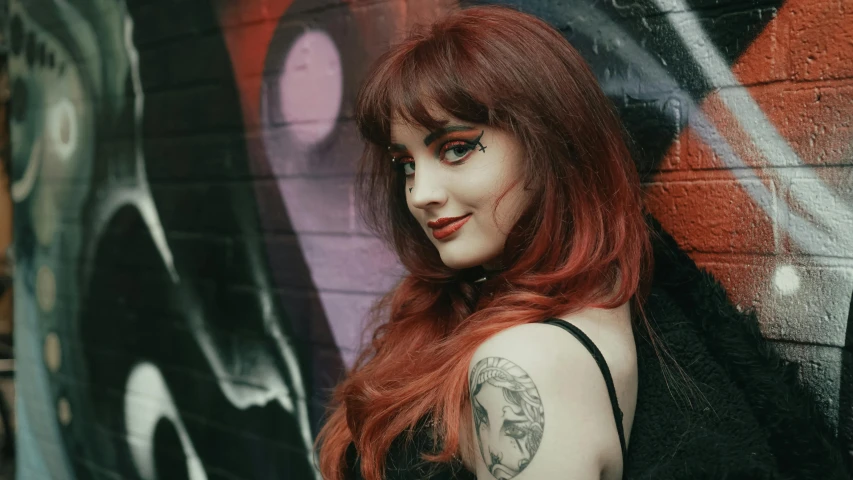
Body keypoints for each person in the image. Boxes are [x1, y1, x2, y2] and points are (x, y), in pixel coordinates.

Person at [315, 5, 849, 480]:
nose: (421, 194)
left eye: (455, 149)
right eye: (405, 164)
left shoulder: (525, 363)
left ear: (547, 141)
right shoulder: (580, 297)